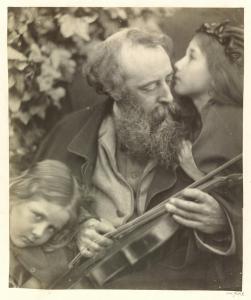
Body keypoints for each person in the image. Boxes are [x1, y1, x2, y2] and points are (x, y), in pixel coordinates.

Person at [34, 27, 241, 289]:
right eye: (150, 87)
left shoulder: (201, 133)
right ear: (115, 90)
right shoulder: (69, 132)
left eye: (168, 79)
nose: (168, 95)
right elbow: (27, 205)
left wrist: (224, 223)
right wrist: (76, 226)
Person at [9, 159, 84, 288]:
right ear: (16, 195)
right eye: (38, 216)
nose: (38, 233)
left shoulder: (50, 260)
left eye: (51, 228)